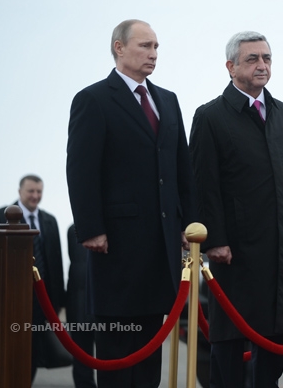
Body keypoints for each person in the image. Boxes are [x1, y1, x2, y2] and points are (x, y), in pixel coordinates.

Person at [67, 19, 195, 388]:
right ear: (119, 48)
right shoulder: (93, 99)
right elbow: (80, 168)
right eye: (145, 46)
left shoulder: (168, 101)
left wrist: (189, 224)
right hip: (116, 248)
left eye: (156, 47)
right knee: (118, 352)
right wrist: (91, 228)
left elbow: (182, 170)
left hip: (162, 248)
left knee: (149, 352)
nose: (153, 54)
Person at [190, 31, 283, 388]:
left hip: (281, 248)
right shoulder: (210, 117)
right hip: (235, 251)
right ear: (230, 67)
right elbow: (203, 186)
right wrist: (214, 239)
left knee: (274, 340)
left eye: (267, 58)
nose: (262, 65)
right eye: (252, 59)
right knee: (229, 343)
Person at [0, 174, 65, 383]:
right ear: (20, 192)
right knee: (9, 348)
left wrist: (57, 302)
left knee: (33, 352)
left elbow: (55, 262)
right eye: (31, 191)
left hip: (40, 301)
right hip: (8, 298)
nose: (35, 196)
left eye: (39, 192)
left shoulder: (50, 221)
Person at [67, 223, 97, 388]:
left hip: (90, 300)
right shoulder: (72, 231)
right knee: (81, 353)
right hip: (79, 300)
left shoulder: (72, 230)